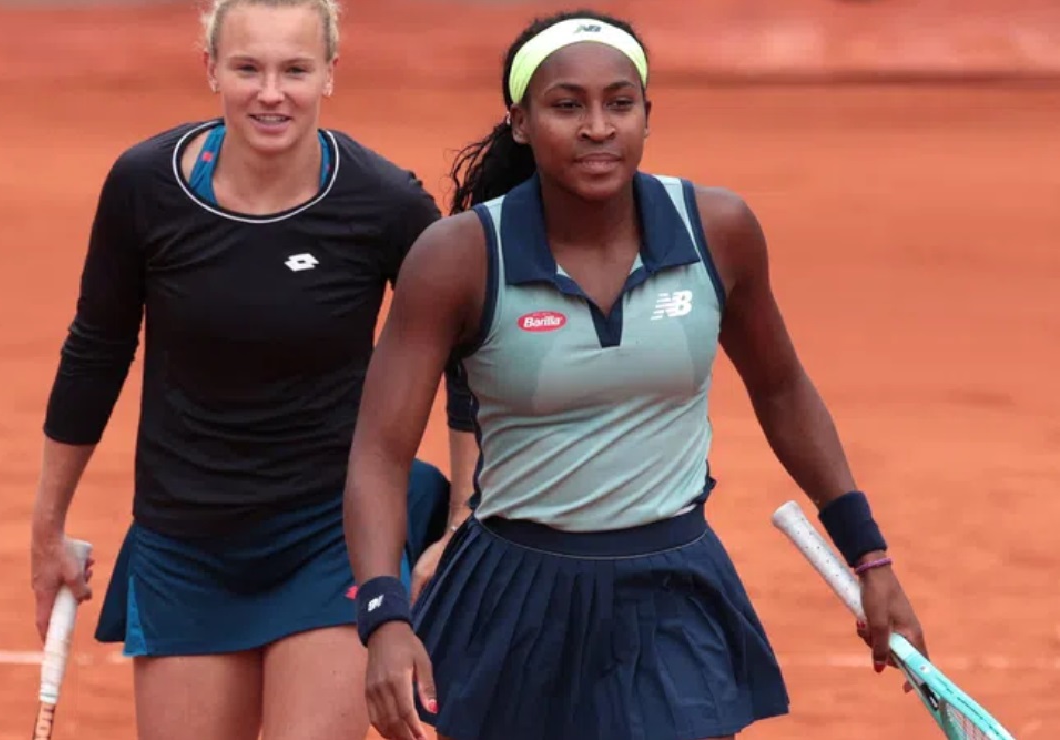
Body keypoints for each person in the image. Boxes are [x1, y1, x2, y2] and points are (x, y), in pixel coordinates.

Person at [342, 9, 930, 740]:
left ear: (647, 114)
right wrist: (383, 614)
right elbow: (378, 452)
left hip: (673, 590)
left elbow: (782, 391)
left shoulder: (718, 229)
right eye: (567, 105)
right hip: (513, 596)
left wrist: (870, 556)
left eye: (620, 103)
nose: (597, 126)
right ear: (521, 123)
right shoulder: (457, 257)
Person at [28, 1, 477, 739]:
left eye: (295, 69)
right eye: (248, 68)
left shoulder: (384, 204)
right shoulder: (144, 188)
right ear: (211, 69)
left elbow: (468, 354)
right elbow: (96, 352)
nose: (272, 93)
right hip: (185, 542)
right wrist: (47, 531)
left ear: (330, 74)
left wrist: (460, 521)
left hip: (332, 534)